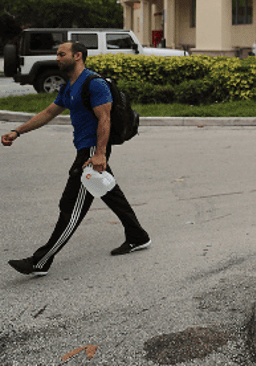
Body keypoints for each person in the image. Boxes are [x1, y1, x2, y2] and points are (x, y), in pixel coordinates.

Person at [2, 41, 150, 277]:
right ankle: (138, 236)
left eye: (62, 54)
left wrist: (100, 154)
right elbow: (49, 113)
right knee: (110, 193)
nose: (57, 58)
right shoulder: (70, 85)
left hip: (92, 151)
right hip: (86, 149)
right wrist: (18, 131)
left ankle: (41, 261)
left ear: (78, 56)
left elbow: (105, 119)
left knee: (71, 207)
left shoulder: (94, 83)